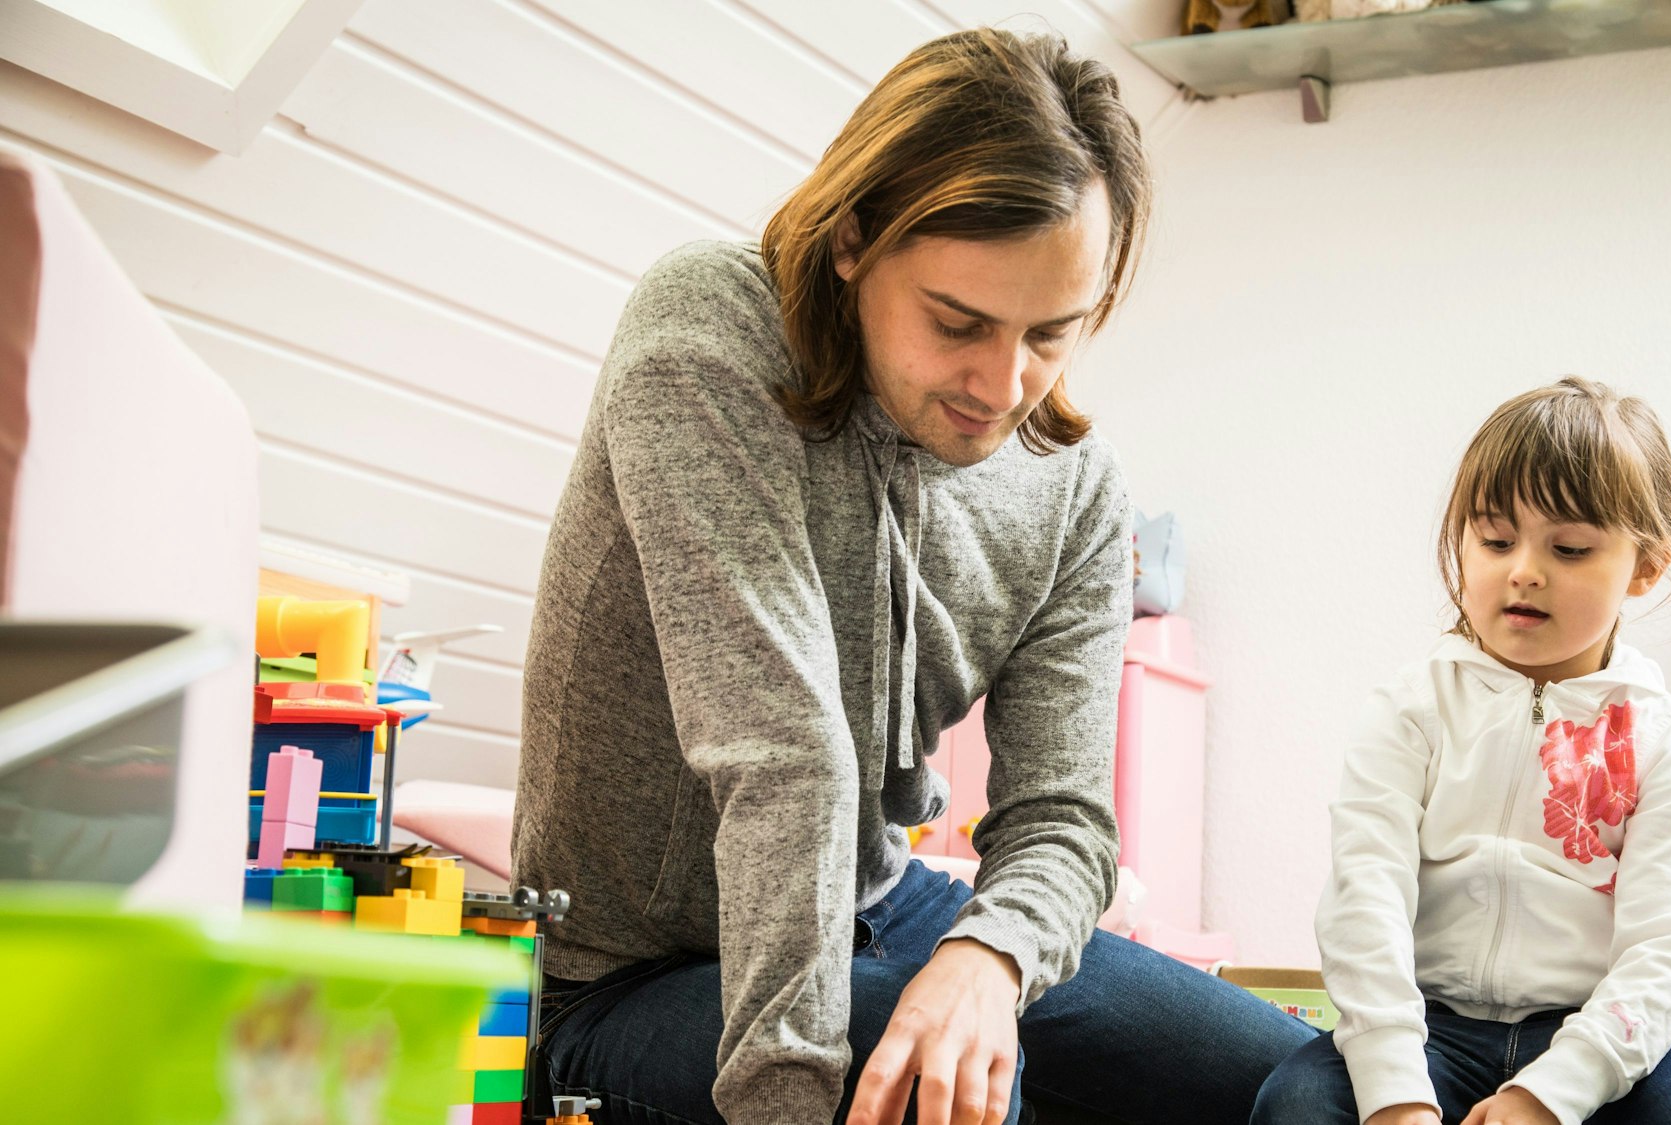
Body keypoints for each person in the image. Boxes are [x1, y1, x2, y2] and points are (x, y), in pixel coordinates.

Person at [510, 27, 1313, 1125]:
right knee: (942, 1078)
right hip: (621, 984)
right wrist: (797, 1101)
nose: (1004, 382)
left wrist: (987, 959)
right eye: (958, 323)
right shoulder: (709, 332)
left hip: (889, 911)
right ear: (851, 239)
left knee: (1301, 1085)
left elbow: (1061, 823)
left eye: (1051, 334)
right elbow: (783, 760)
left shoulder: (1073, 486)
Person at [1252, 378, 1671, 1125]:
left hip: (1597, 1032)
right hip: (1433, 1028)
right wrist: (1395, 1094)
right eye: (1496, 540)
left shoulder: (1661, 738)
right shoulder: (1412, 708)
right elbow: (1362, 905)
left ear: (1646, 567)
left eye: (1568, 548)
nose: (1524, 569)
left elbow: (1665, 947)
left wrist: (1550, 1094)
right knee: (1295, 1105)